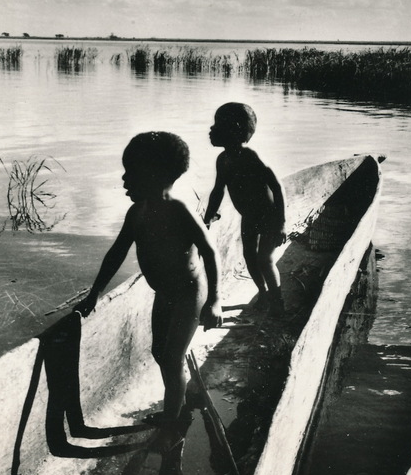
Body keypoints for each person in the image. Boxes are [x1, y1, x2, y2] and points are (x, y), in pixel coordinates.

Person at [75, 131, 223, 451]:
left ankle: (174, 426)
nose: (124, 178)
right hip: (164, 293)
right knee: (159, 352)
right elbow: (116, 254)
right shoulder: (138, 213)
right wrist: (94, 293)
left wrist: (214, 301)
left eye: (132, 172)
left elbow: (210, 253)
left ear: (155, 176)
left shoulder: (180, 211)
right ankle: (175, 406)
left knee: (172, 357)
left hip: (188, 291)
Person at [204, 103, 286, 316]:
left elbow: (277, 187)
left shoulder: (251, 156)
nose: (211, 130)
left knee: (265, 259)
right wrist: (208, 216)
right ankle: (263, 293)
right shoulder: (222, 160)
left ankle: (277, 301)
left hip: (269, 216)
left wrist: (282, 224)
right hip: (248, 217)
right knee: (249, 258)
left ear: (235, 129)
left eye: (218, 125)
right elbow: (218, 191)